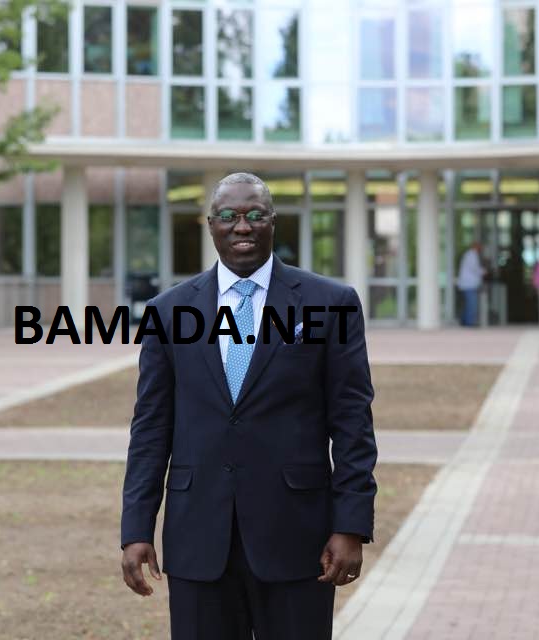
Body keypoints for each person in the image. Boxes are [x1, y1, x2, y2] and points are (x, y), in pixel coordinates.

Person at [120, 172, 378, 640]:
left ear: (273, 223)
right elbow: (151, 429)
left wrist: (351, 525)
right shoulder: (168, 311)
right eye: (229, 216)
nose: (243, 226)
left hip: (297, 539)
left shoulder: (331, 303)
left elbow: (353, 424)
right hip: (198, 539)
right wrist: (137, 528)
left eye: (256, 215)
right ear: (211, 225)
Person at [457, 241, 487, 327]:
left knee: (469, 304)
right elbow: (474, 268)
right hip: (469, 284)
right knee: (472, 304)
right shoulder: (472, 255)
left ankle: (464, 321)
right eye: (480, 247)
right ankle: (469, 322)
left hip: (468, 284)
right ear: (476, 247)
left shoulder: (470, 255)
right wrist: (483, 271)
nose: (481, 249)